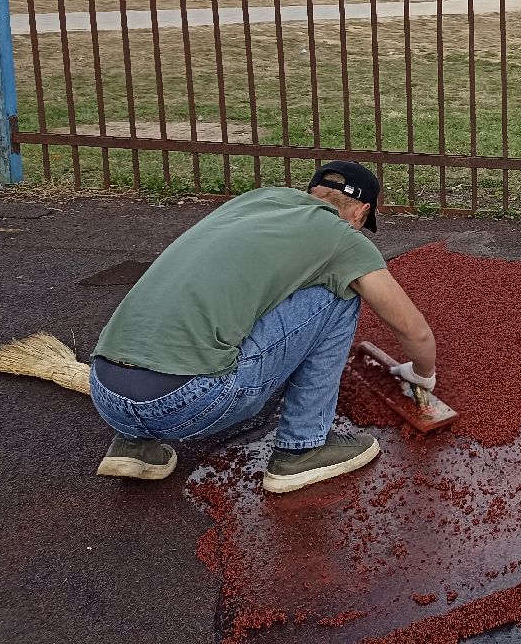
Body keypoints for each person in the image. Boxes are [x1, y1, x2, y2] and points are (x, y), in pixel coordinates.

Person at [88, 161, 439, 493]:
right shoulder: (343, 237)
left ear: (312, 192)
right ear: (361, 212)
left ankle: (136, 444)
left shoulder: (258, 201)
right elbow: (413, 330)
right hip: (189, 401)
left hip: (105, 394)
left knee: (228, 300)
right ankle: (303, 449)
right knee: (341, 294)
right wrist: (422, 375)